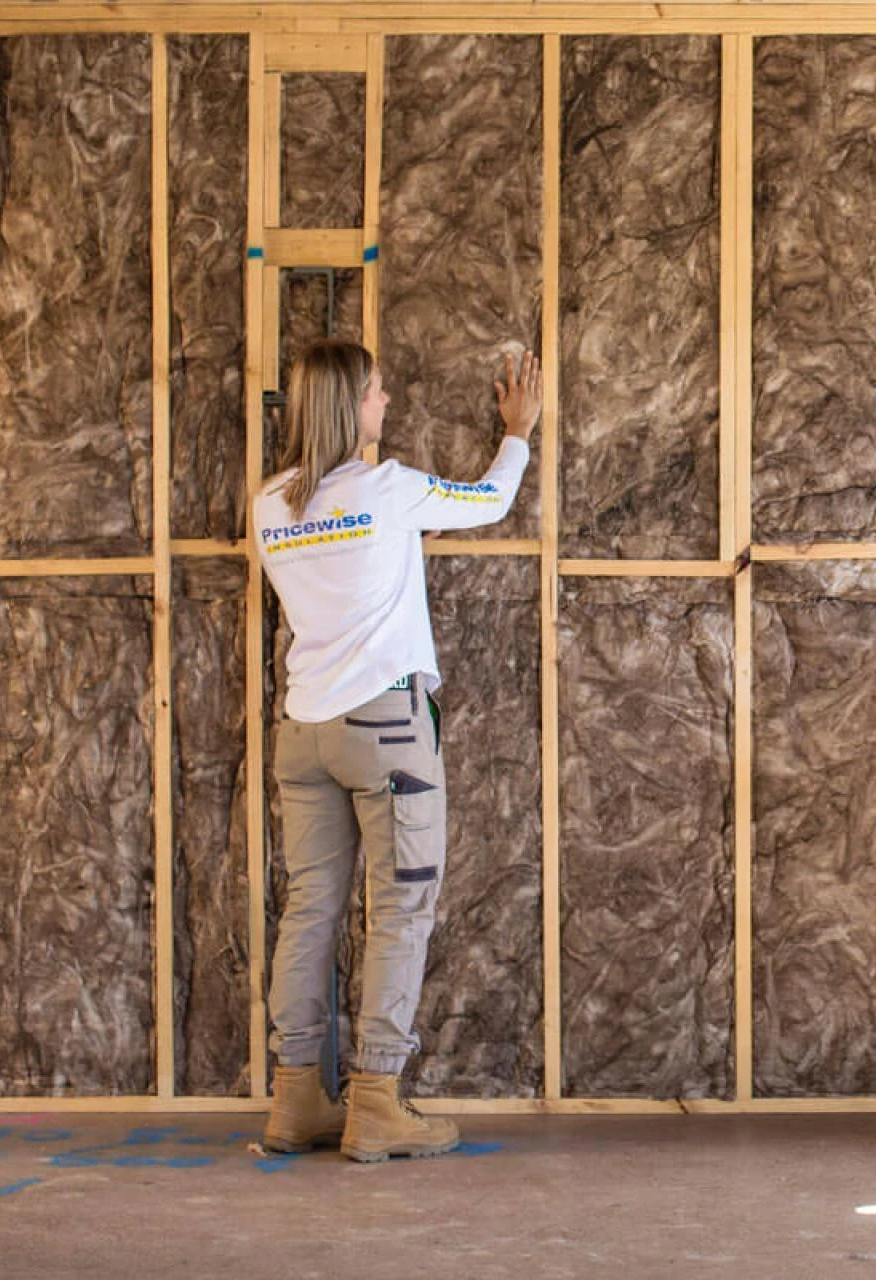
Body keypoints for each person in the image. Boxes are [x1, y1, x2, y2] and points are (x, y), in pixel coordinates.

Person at [255, 339, 541, 1162]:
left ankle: (295, 1100)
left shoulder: (268, 503)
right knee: (399, 909)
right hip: (385, 729)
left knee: (310, 909)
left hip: (303, 732)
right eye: (377, 391)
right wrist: (517, 432)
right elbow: (489, 500)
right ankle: (376, 1102)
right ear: (351, 405)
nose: (386, 402)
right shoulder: (388, 488)